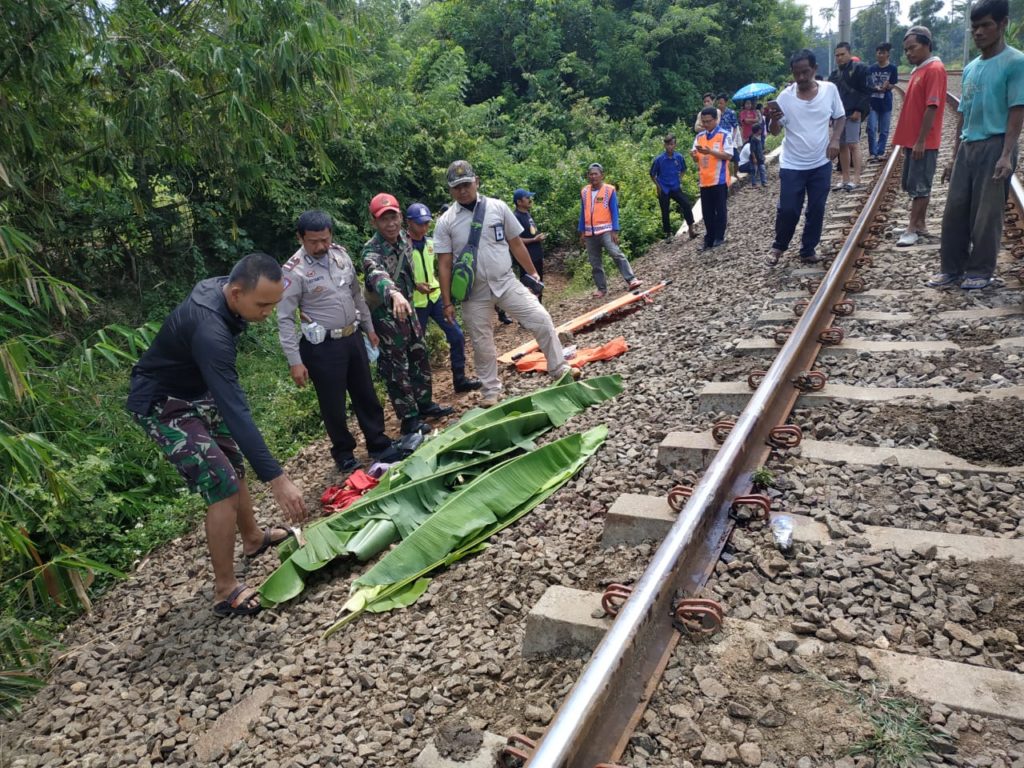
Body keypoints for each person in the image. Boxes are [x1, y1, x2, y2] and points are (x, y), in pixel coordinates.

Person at [127, 253, 306, 617]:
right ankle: (225, 589)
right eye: (263, 305)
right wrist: (276, 477)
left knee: (233, 463)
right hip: (163, 402)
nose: (268, 313)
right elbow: (234, 408)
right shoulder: (211, 332)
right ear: (237, 294)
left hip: (195, 389)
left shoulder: (228, 292)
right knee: (220, 482)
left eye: (274, 303)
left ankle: (253, 539)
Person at [434, 160, 574, 408]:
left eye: (466, 184)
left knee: (540, 318)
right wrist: (447, 303)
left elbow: (516, 242)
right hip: (473, 293)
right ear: (451, 190)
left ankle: (559, 369)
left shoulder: (497, 207)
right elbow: (444, 264)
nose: (463, 190)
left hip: (506, 281)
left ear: (476, 181)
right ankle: (490, 391)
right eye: (457, 187)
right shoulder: (446, 221)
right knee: (482, 343)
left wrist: (532, 272)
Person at [277, 210, 400, 474]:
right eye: (313, 242)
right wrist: (294, 362)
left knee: (365, 393)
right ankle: (344, 453)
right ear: (300, 238)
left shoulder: (340, 256)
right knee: (332, 403)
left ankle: (378, 442)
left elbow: (356, 295)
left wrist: (368, 328)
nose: (320, 246)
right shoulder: (294, 271)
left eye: (325, 239)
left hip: (352, 337)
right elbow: (285, 319)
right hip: (322, 347)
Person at [931, 0, 1024, 290]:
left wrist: (1007, 154)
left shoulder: (1015, 62)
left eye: (986, 25)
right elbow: (963, 114)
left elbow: (1017, 110)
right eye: (975, 27)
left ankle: (980, 271)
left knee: (986, 214)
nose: (979, 32)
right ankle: (951, 269)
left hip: (995, 144)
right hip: (968, 146)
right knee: (955, 211)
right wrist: (953, 155)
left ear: (1002, 24)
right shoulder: (971, 67)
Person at [361, 193, 453, 435]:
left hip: (409, 309)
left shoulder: (404, 238)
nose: (390, 224)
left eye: (393, 217)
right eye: (384, 220)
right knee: (397, 367)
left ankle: (424, 403)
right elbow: (376, 275)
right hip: (386, 315)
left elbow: (407, 266)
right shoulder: (371, 251)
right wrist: (394, 293)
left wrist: (415, 285)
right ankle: (409, 419)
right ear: (374, 222)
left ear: (400, 217)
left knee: (419, 355)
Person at [764, 49, 846, 267]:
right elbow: (774, 132)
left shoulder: (830, 90)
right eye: (796, 73)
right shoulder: (785, 97)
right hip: (792, 163)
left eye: (805, 72)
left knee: (817, 208)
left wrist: (835, 140)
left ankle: (808, 249)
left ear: (815, 70)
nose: (801, 78)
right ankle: (779, 246)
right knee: (789, 208)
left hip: (821, 162)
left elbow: (840, 117)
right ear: (791, 72)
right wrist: (773, 120)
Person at [405, 202, 483, 393]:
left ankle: (460, 379)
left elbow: (442, 268)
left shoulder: (432, 243)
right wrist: (414, 285)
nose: (424, 227)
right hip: (416, 304)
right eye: (419, 224)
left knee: (456, 335)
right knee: (417, 349)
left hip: (436, 298)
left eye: (426, 223)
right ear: (409, 223)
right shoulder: (401, 247)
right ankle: (421, 394)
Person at [891, 27, 947, 247]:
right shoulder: (919, 70)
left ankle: (912, 229)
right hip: (913, 139)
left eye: (912, 48)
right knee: (913, 183)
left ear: (926, 45)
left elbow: (932, 107)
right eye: (906, 50)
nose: (908, 53)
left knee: (920, 186)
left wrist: (921, 140)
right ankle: (919, 224)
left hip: (923, 141)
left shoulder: (934, 69)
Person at [578, 163, 642, 297]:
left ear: (602, 175)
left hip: (606, 229)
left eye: (596, 174)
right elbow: (582, 212)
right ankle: (601, 289)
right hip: (590, 233)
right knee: (595, 262)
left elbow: (614, 211)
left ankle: (631, 279)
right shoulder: (584, 191)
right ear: (588, 176)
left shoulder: (609, 190)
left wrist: (615, 230)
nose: (593, 176)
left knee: (616, 253)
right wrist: (582, 231)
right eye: (591, 174)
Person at [828, 42, 872, 191]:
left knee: (854, 144)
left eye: (842, 54)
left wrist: (859, 110)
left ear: (849, 53)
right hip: (839, 115)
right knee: (842, 146)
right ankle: (845, 178)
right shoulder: (834, 75)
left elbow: (866, 91)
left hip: (853, 112)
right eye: (837, 55)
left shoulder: (860, 69)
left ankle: (857, 178)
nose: (839, 58)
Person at [691, 107, 733, 250]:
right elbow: (696, 158)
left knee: (720, 210)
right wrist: (695, 156)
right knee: (707, 212)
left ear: (716, 120)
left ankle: (719, 237)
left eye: (708, 121)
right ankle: (709, 238)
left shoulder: (724, 135)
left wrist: (710, 152)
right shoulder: (699, 137)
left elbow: (728, 155)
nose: (706, 124)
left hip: (719, 179)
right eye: (703, 122)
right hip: (704, 180)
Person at [649, 134, 698, 240]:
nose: (670, 147)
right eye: (667, 144)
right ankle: (668, 234)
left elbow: (684, 169)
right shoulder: (659, 159)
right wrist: (658, 186)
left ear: (675, 145)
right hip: (664, 188)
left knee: (686, 204)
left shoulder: (679, 157)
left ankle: (691, 229)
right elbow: (652, 174)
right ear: (664, 145)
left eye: (672, 144)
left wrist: (680, 179)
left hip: (675, 187)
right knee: (665, 210)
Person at [510, 189, 547, 301]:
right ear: (519, 202)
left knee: (538, 285)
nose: (530, 200)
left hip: (536, 255)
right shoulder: (516, 217)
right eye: (527, 198)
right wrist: (534, 240)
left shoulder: (526, 214)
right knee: (529, 288)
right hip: (527, 258)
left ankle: (539, 311)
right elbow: (516, 240)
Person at [867, 42, 900, 161]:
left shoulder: (892, 68)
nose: (880, 55)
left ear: (887, 55)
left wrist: (888, 86)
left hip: (886, 101)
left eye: (883, 53)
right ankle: (873, 152)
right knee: (871, 128)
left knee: (884, 129)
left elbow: (893, 84)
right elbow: (868, 84)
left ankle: (880, 152)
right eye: (878, 53)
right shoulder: (871, 69)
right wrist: (874, 88)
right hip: (872, 102)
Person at [739, 123, 767, 187]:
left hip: (755, 159)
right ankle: (755, 183)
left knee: (761, 169)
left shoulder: (758, 139)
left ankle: (762, 182)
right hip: (744, 164)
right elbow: (752, 153)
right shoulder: (750, 144)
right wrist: (756, 158)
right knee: (754, 170)